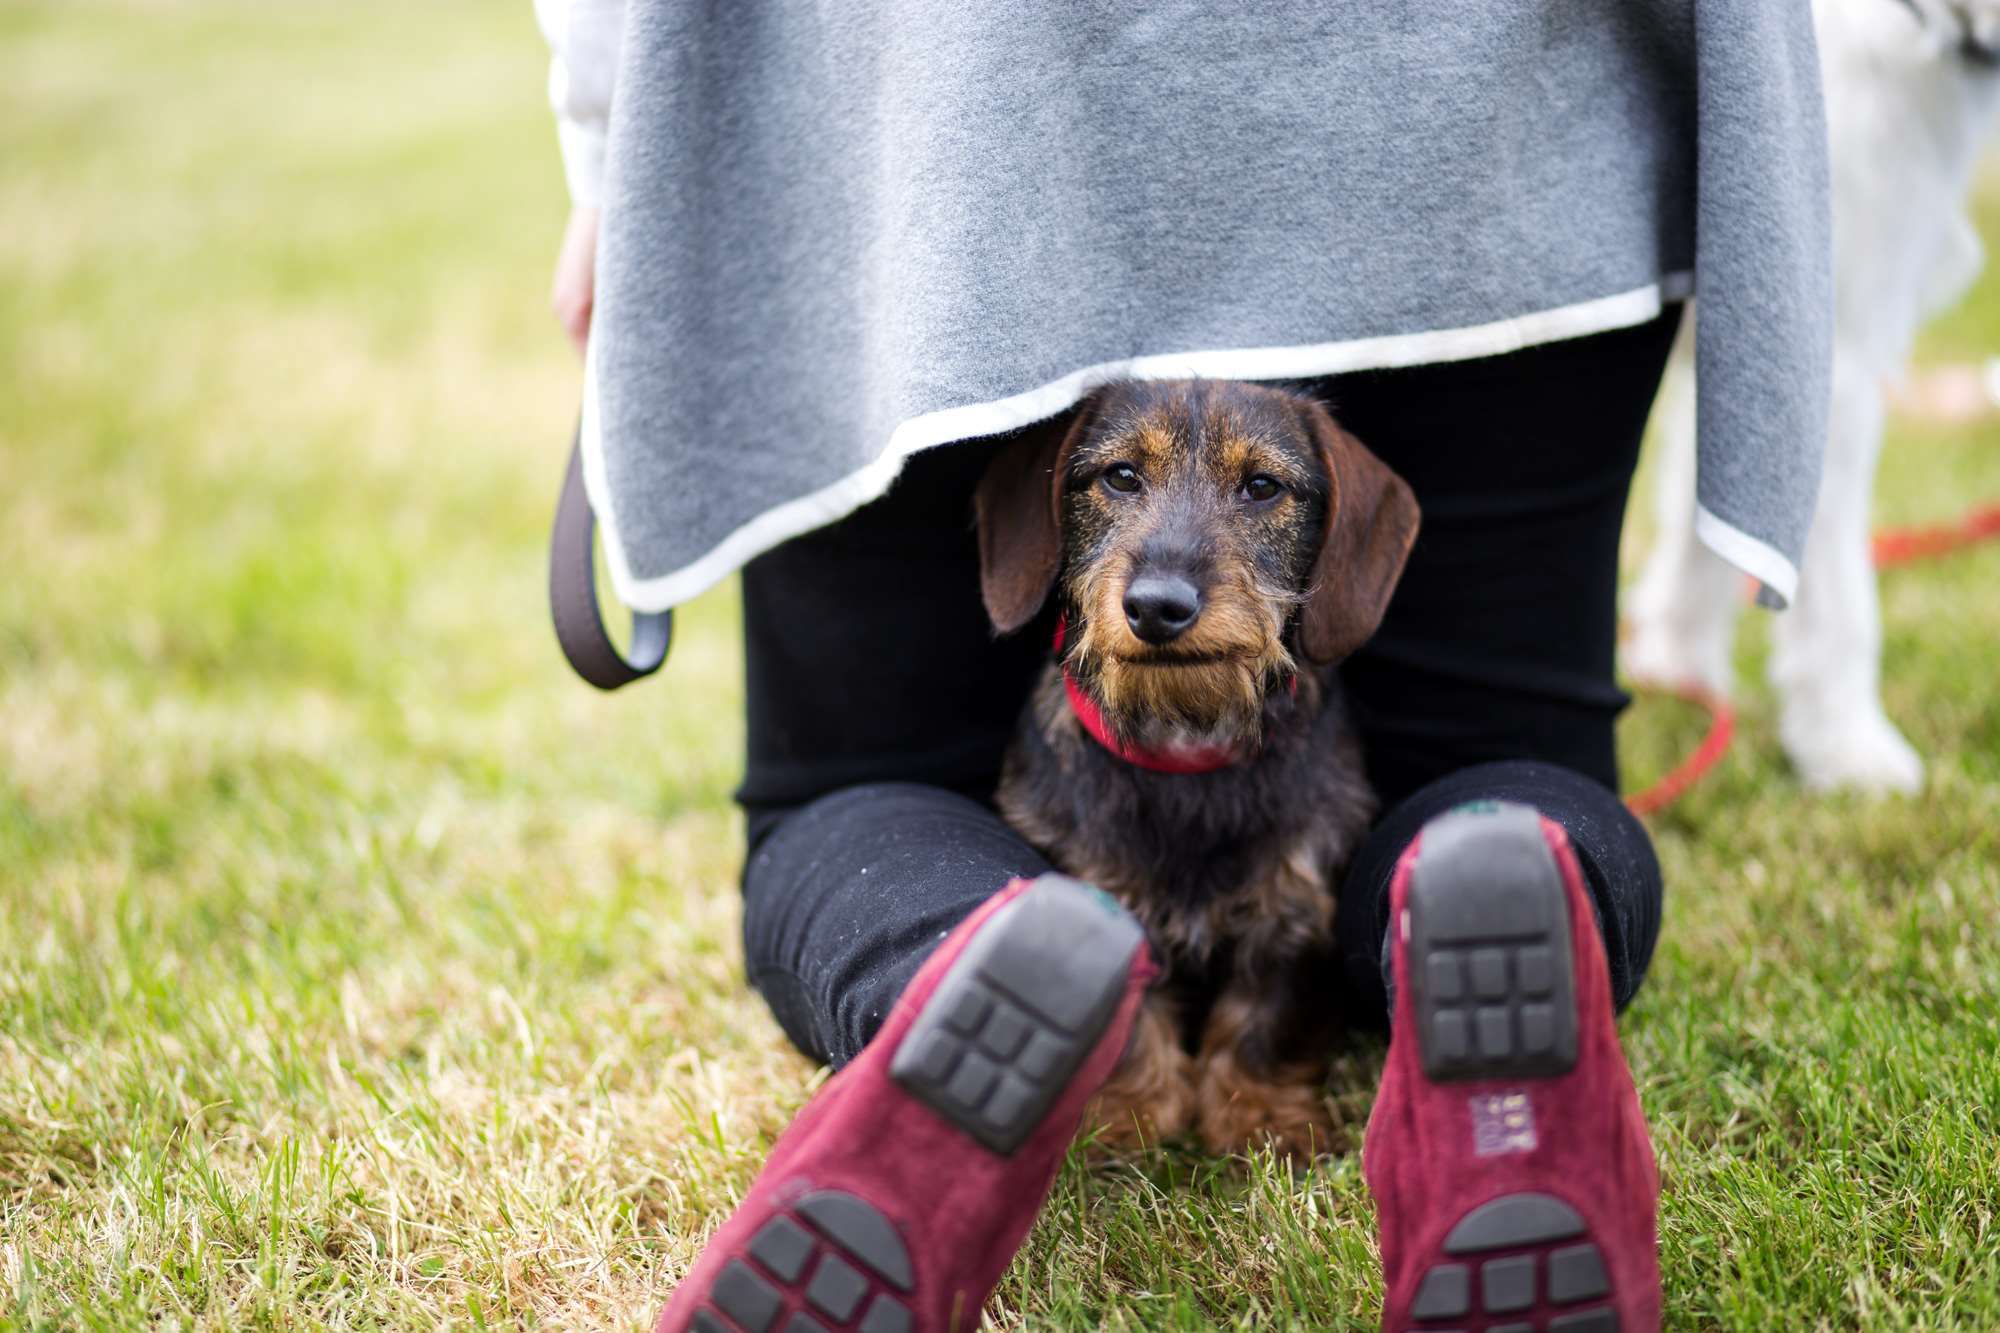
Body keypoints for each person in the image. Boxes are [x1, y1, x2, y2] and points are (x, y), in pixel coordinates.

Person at [535, 5, 1831, 1329]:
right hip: (1493, 141)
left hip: (925, 150)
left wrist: (612, 140)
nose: (1166, 575)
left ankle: (954, 949)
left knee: (866, 788)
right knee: (1495, 761)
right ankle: (1490, 889)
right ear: (1062, 502)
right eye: (1119, 491)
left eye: (1258, 498)